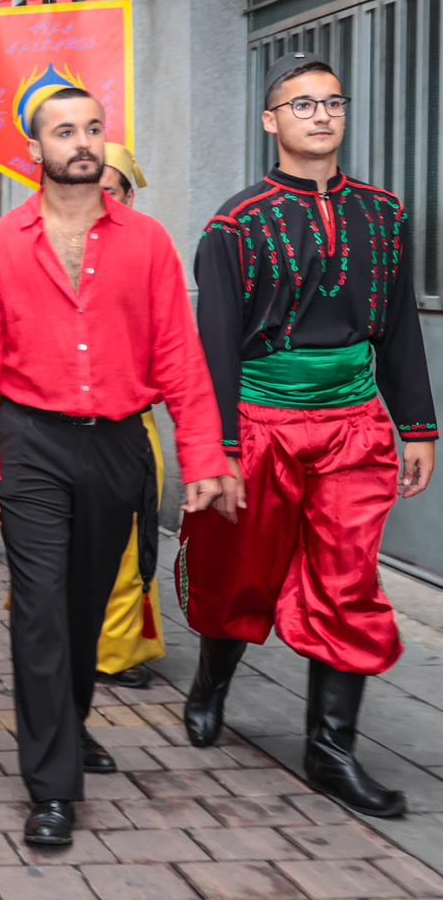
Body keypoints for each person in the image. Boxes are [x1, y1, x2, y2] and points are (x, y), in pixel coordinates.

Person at [0, 87, 227, 847]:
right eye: (64, 131)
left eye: (93, 129)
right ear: (33, 150)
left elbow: (179, 355)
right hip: (30, 442)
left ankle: (66, 727)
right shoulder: (0, 247)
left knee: (81, 611)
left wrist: (203, 452)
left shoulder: (146, 242)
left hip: (117, 445)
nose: (83, 141)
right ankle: (51, 786)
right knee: (39, 607)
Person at [180, 53, 435, 818]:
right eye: (302, 105)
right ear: (272, 121)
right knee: (241, 575)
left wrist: (416, 422)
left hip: (354, 427)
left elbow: (398, 330)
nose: (321, 115)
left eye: (332, 102)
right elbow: (214, 347)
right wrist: (216, 446)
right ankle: (211, 681)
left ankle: (330, 751)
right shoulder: (235, 224)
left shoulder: (384, 215)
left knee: (349, 583)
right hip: (260, 426)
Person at [84, 143, 168, 690]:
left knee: (133, 537)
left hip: (131, 422)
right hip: (60, 427)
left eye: (109, 191)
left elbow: (174, 343)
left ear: (129, 197)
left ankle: (116, 651)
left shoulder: (149, 253)